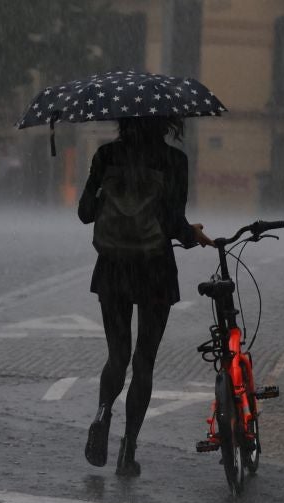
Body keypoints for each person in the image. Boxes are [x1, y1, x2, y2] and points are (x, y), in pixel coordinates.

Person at [77, 116, 214, 476]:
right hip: (155, 269)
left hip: (114, 268)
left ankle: (103, 413)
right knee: (144, 361)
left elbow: (84, 213)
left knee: (117, 355)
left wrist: (111, 192)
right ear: (166, 122)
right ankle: (128, 450)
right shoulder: (175, 161)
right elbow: (172, 222)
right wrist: (191, 233)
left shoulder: (106, 155)